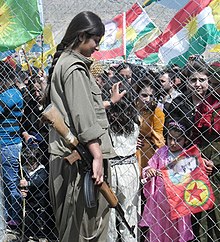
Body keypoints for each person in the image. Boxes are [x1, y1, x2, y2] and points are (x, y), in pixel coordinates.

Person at [47, 11, 115, 242]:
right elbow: (84, 117)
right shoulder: (75, 68)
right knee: (87, 228)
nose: (97, 46)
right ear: (82, 36)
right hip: (81, 161)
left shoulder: (65, 63)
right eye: (96, 40)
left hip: (73, 158)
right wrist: (97, 156)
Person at [139, 116, 194, 242]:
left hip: (178, 201)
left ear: (185, 140)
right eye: (170, 139)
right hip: (160, 201)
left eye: (178, 140)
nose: (173, 143)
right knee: (159, 227)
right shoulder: (161, 152)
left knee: (176, 230)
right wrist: (149, 171)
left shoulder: (186, 156)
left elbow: (191, 178)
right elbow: (148, 168)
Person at [105, 77, 140, 242]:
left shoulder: (106, 120)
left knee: (109, 215)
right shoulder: (135, 119)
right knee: (129, 214)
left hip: (111, 167)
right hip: (130, 166)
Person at [192, 62, 220, 241]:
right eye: (215, 84)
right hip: (203, 164)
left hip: (216, 162)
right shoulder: (205, 105)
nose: (217, 88)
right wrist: (201, 159)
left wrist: (215, 162)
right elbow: (196, 136)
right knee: (202, 210)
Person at [0, 61, 23, 228]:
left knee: (10, 182)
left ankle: (14, 216)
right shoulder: (9, 93)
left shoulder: (11, 94)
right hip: (6, 143)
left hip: (8, 144)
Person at [19, 146, 58, 241]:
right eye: (28, 164)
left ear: (38, 161)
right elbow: (18, 181)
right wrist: (21, 189)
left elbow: (38, 182)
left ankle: (42, 235)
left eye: (32, 164)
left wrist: (28, 183)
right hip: (29, 200)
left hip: (40, 200)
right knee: (28, 217)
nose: (30, 167)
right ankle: (27, 233)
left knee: (41, 219)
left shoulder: (42, 171)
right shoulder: (23, 170)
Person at [135, 75, 165, 174]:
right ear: (136, 94)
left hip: (147, 151)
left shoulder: (157, 112)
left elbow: (159, 138)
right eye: (144, 95)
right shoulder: (130, 109)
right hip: (128, 149)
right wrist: (132, 139)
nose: (148, 99)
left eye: (151, 96)